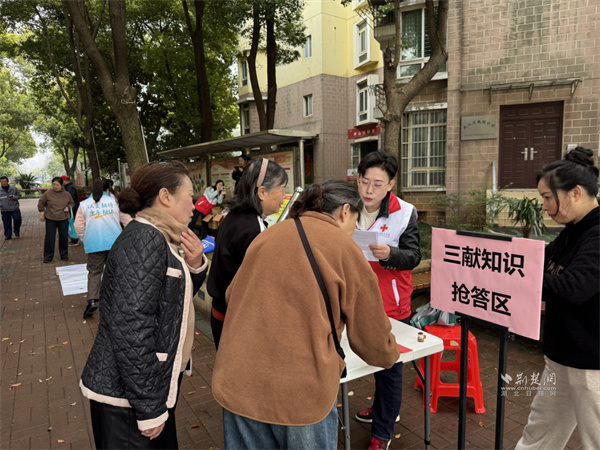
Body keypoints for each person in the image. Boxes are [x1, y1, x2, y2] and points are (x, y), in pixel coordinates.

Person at [212, 180, 401, 450]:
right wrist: (390, 354)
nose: (354, 229)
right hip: (301, 394)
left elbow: (232, 295)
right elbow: (372, 338)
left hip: (239, 381)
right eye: (356, 221)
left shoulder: (267, 236)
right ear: (345, 211)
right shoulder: (343, 248)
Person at [79, 160, 208, 449]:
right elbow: (131, 329)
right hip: (128, 401)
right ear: (165, 197)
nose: (194, 204)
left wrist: (195, 265)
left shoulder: (158, 235)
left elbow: (169, 300)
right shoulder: (144, 240)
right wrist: (149, 408)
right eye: (190, 195)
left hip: (143, 390)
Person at [515, 147, 599, 450]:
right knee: (540, 433)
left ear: (575, 192)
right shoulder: (571, 231)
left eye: (548, 198)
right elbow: (539, 262)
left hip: (592, 363)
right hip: (560, 355)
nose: (545, 207)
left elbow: (572, 287)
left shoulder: (597, 233)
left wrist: (514, 278)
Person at [353, 151, 421, 450]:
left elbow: (414, 256)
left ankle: (382, 432)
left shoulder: (404, 212)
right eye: (364, 181)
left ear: (391, 184)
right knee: (363, 358)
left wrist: (390, 255)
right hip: (354, 297)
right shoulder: (348, 206)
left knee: (390, 366)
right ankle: (382, 409)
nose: (369, 190)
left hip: (390, 302)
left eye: (377, 184)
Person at [207, 158, 287, 349]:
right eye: (282, 189)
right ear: (262, 192)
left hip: (222, 314)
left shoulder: (235, 216)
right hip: (237, 322)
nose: (285, 196)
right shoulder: (252, 229)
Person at [74, 178, 132, 319]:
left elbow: (78, 225)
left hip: (94, 244)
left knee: (94, 272)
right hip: (115, 243)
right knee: (116, 272)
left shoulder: (84, 204)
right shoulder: (115, 202)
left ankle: (92, 300)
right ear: (108, 189)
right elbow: (128, 222)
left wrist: (84, 238)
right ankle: (117, 300)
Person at [38, 177, 75, 263]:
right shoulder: (48, 193)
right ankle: (48, 257)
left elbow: (72, 203)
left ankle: (64, 255)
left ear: (61, 185)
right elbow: (41, 202)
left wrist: (68, 207)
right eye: (54, 184)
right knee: (50, 238)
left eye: (57, 185)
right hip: (50, 218)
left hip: (63, 218)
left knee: (63, 238)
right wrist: (42, 212)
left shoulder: (66, 194)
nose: (55, 186)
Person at [62, 175, 80, 246]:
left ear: (65, 181)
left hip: (73, 208)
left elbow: (69, 198)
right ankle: (74, 239)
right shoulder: (69, 187)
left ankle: (75, 239)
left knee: (73, 223)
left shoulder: (70, 188)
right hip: (73, 208)